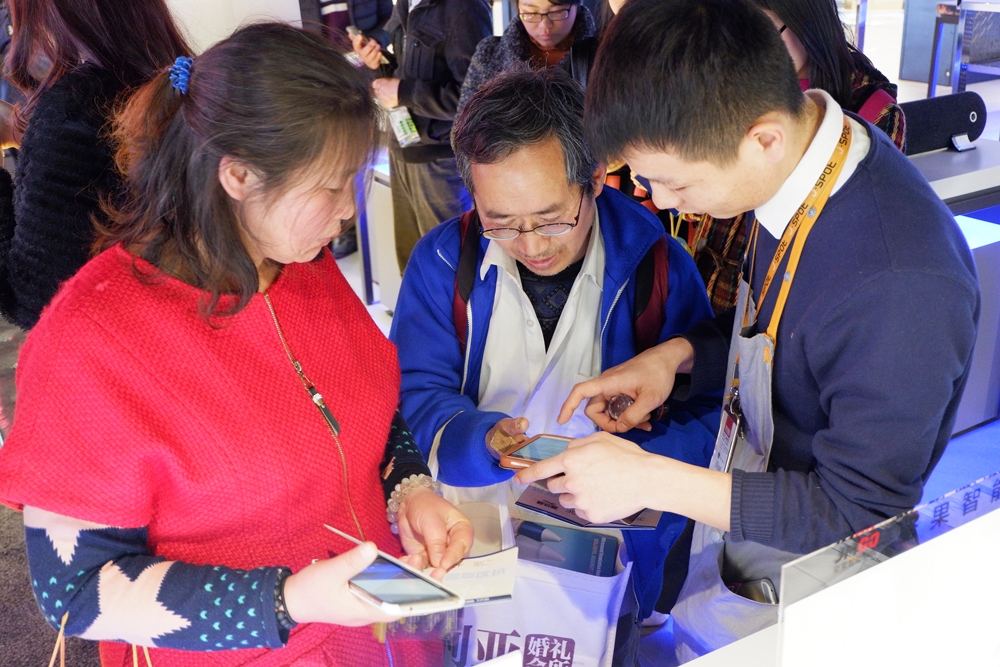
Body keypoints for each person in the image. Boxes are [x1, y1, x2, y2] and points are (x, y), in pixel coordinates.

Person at [515, 0, 980, 661]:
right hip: (744, 537)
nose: (664, 202)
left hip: (818, 594)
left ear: (762, 139)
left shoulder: (899, 277)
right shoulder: (804, 159)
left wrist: (650, 480)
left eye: (674, 182)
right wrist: (679, 357)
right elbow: (784, 323)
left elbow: (858, 512)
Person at [0, 23, 473, 667]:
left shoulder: (302, 264)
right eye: (332, 186)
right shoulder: (91, 340)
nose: (349, 211)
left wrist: (409, 488)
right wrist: (285, 600)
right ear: (240, 175)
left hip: (374, 633)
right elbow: (77, 590)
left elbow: (361, 409)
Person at [391, 67, 719, 665]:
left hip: (609, 554)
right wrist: (478, 439)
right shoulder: (442, 262)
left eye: (551, 218)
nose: (532, 245)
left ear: (594, 177)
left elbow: (707, 413)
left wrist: (637, 465)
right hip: (471, 537)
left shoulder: (658, 267)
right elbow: (415, 392)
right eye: (501, 223)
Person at [0, 0, 191, 330]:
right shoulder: (180, 81)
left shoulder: (74, 106)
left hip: (122, 343)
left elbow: (36, 304)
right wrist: (31, 136)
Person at [350, 0, 490, 271]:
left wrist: (403, 92)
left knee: (449, 266)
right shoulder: (406, 4)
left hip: (442, 160)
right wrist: (377, 64)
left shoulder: (464, 8)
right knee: (413, 264)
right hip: (404, 149)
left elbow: (475, 97)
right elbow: (406, 74)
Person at [753, 0, 905, 151]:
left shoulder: (874, 111)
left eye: (764, 32)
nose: (749, 50)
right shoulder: (745, 87)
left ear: (806, 21)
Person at [457, 0, 599, 119]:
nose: (544, 25)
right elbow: (463, 127)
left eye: (557, 12)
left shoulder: (601, 55)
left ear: (577, 6)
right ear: (518, 8)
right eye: (531, 13)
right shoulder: (489, 53)